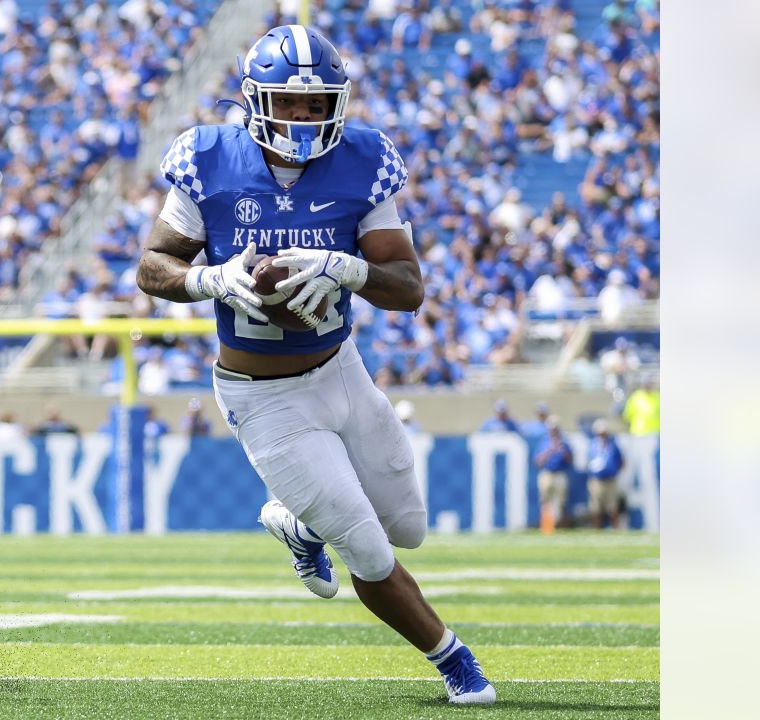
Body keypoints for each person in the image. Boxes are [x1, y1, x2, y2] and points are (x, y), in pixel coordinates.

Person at [136, 25, 494, 704]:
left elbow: (408, 288)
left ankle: (300, 525)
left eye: (316, 104)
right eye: (289, 104)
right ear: (254, 99)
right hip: (264, 396)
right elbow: (154, 267)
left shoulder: (361, 160)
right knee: (368, 550)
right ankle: (454, 662)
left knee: (409, 529)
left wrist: (348, 266)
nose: (303, 118)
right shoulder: (208, 159)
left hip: (342, 372)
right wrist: (209, 281)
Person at [532, 416, 573, 533]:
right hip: (547, 473)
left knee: (562, 502)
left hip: (560, 473)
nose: (554, 431)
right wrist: (549, 450)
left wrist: (563, 451)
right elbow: (537, 462)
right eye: (552, 429)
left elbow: (570, 461)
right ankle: (547, 528)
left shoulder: (564, 443)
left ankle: (563, 527)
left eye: (555, 429)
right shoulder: (544, 442)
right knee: (545, 501)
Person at [586, 419, 625, 528]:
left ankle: (615, 530)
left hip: (610, 480)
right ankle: (596, 530)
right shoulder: (592, 445)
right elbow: (588, 462)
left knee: (613, 507)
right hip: (596, 480)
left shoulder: (613, 445)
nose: (602, 436)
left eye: (603, 433)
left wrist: (614, 471)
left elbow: (621, 461)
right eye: (600, 433)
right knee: (596, 508)